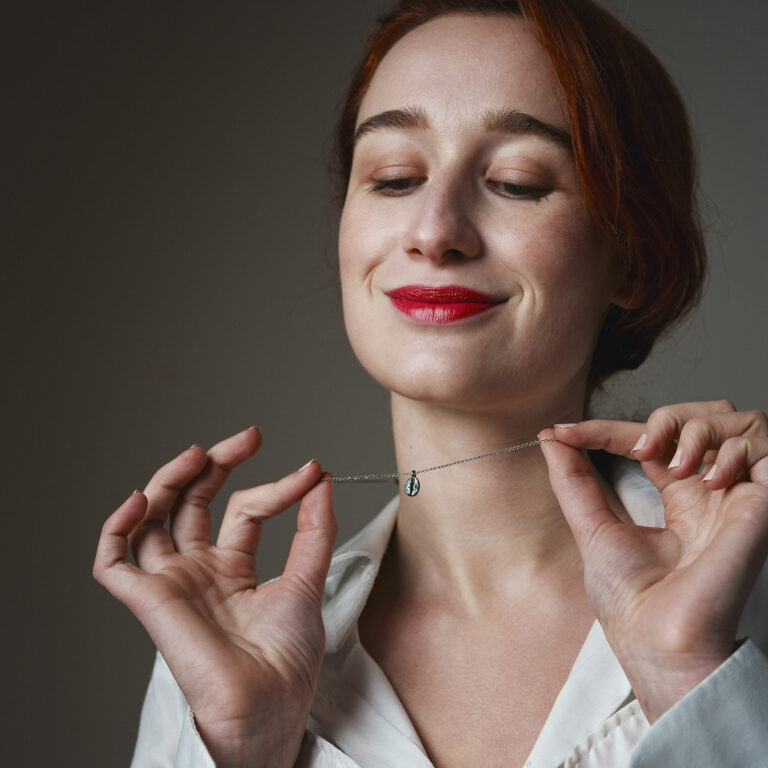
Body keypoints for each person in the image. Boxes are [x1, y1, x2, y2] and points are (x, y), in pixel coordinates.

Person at [93, 1, 768, 766]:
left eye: (516, 181)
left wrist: (688, 677)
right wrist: (241, 746)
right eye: (395, 177)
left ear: (632, 255)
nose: (434, 229)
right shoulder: (223, 662)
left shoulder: (748, 589)